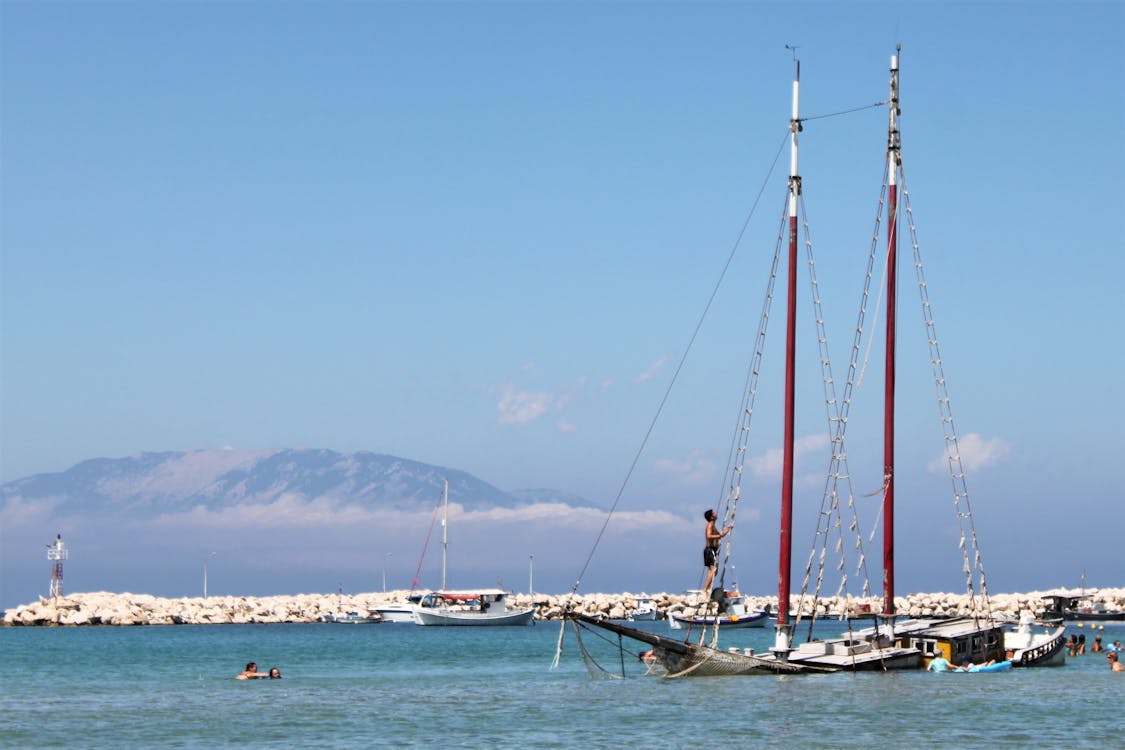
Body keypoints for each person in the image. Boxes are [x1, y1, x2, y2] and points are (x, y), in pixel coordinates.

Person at [702, 509, 733, 595]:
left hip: (714, 550)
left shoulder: (713, 526)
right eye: (714, 513)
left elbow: (720, 534)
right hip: (710, 549)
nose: (716, 513)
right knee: (713, 570)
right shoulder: (710, 525)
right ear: (712, 517)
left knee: (713, 572)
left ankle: (706, 590)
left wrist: (728, 529)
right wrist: (719, 535)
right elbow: (709, 536)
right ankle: (704, 590)